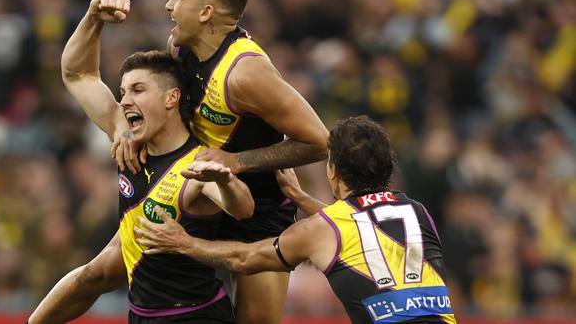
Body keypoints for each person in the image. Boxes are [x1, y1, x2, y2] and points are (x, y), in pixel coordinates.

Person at [96, 0, 330, 323]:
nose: (168, 6)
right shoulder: (178, 48)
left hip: (259, 213)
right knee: (99, 273)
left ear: (206, 12)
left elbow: (319, 143)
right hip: (194, 197)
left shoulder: (246, 73)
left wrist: (238, 162)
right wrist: (131, 132)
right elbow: (156, 100)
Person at [28, 0, 255, 324]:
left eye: (137, 90)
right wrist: (93, 16)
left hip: (195, 317)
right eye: (122, 93)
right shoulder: (128, 140)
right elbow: (78, 75)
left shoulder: (195, 165)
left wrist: (225, 178)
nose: (125, 101)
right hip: (141, 314)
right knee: (94, 274)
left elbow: (242, 207)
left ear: (171, 98)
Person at [135, 116, 457, 324]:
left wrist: (184, 242)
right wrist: (301, 197)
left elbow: (245, 258)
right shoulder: (418, 211)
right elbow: (360, 229)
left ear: (332, 171)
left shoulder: (319, 230)